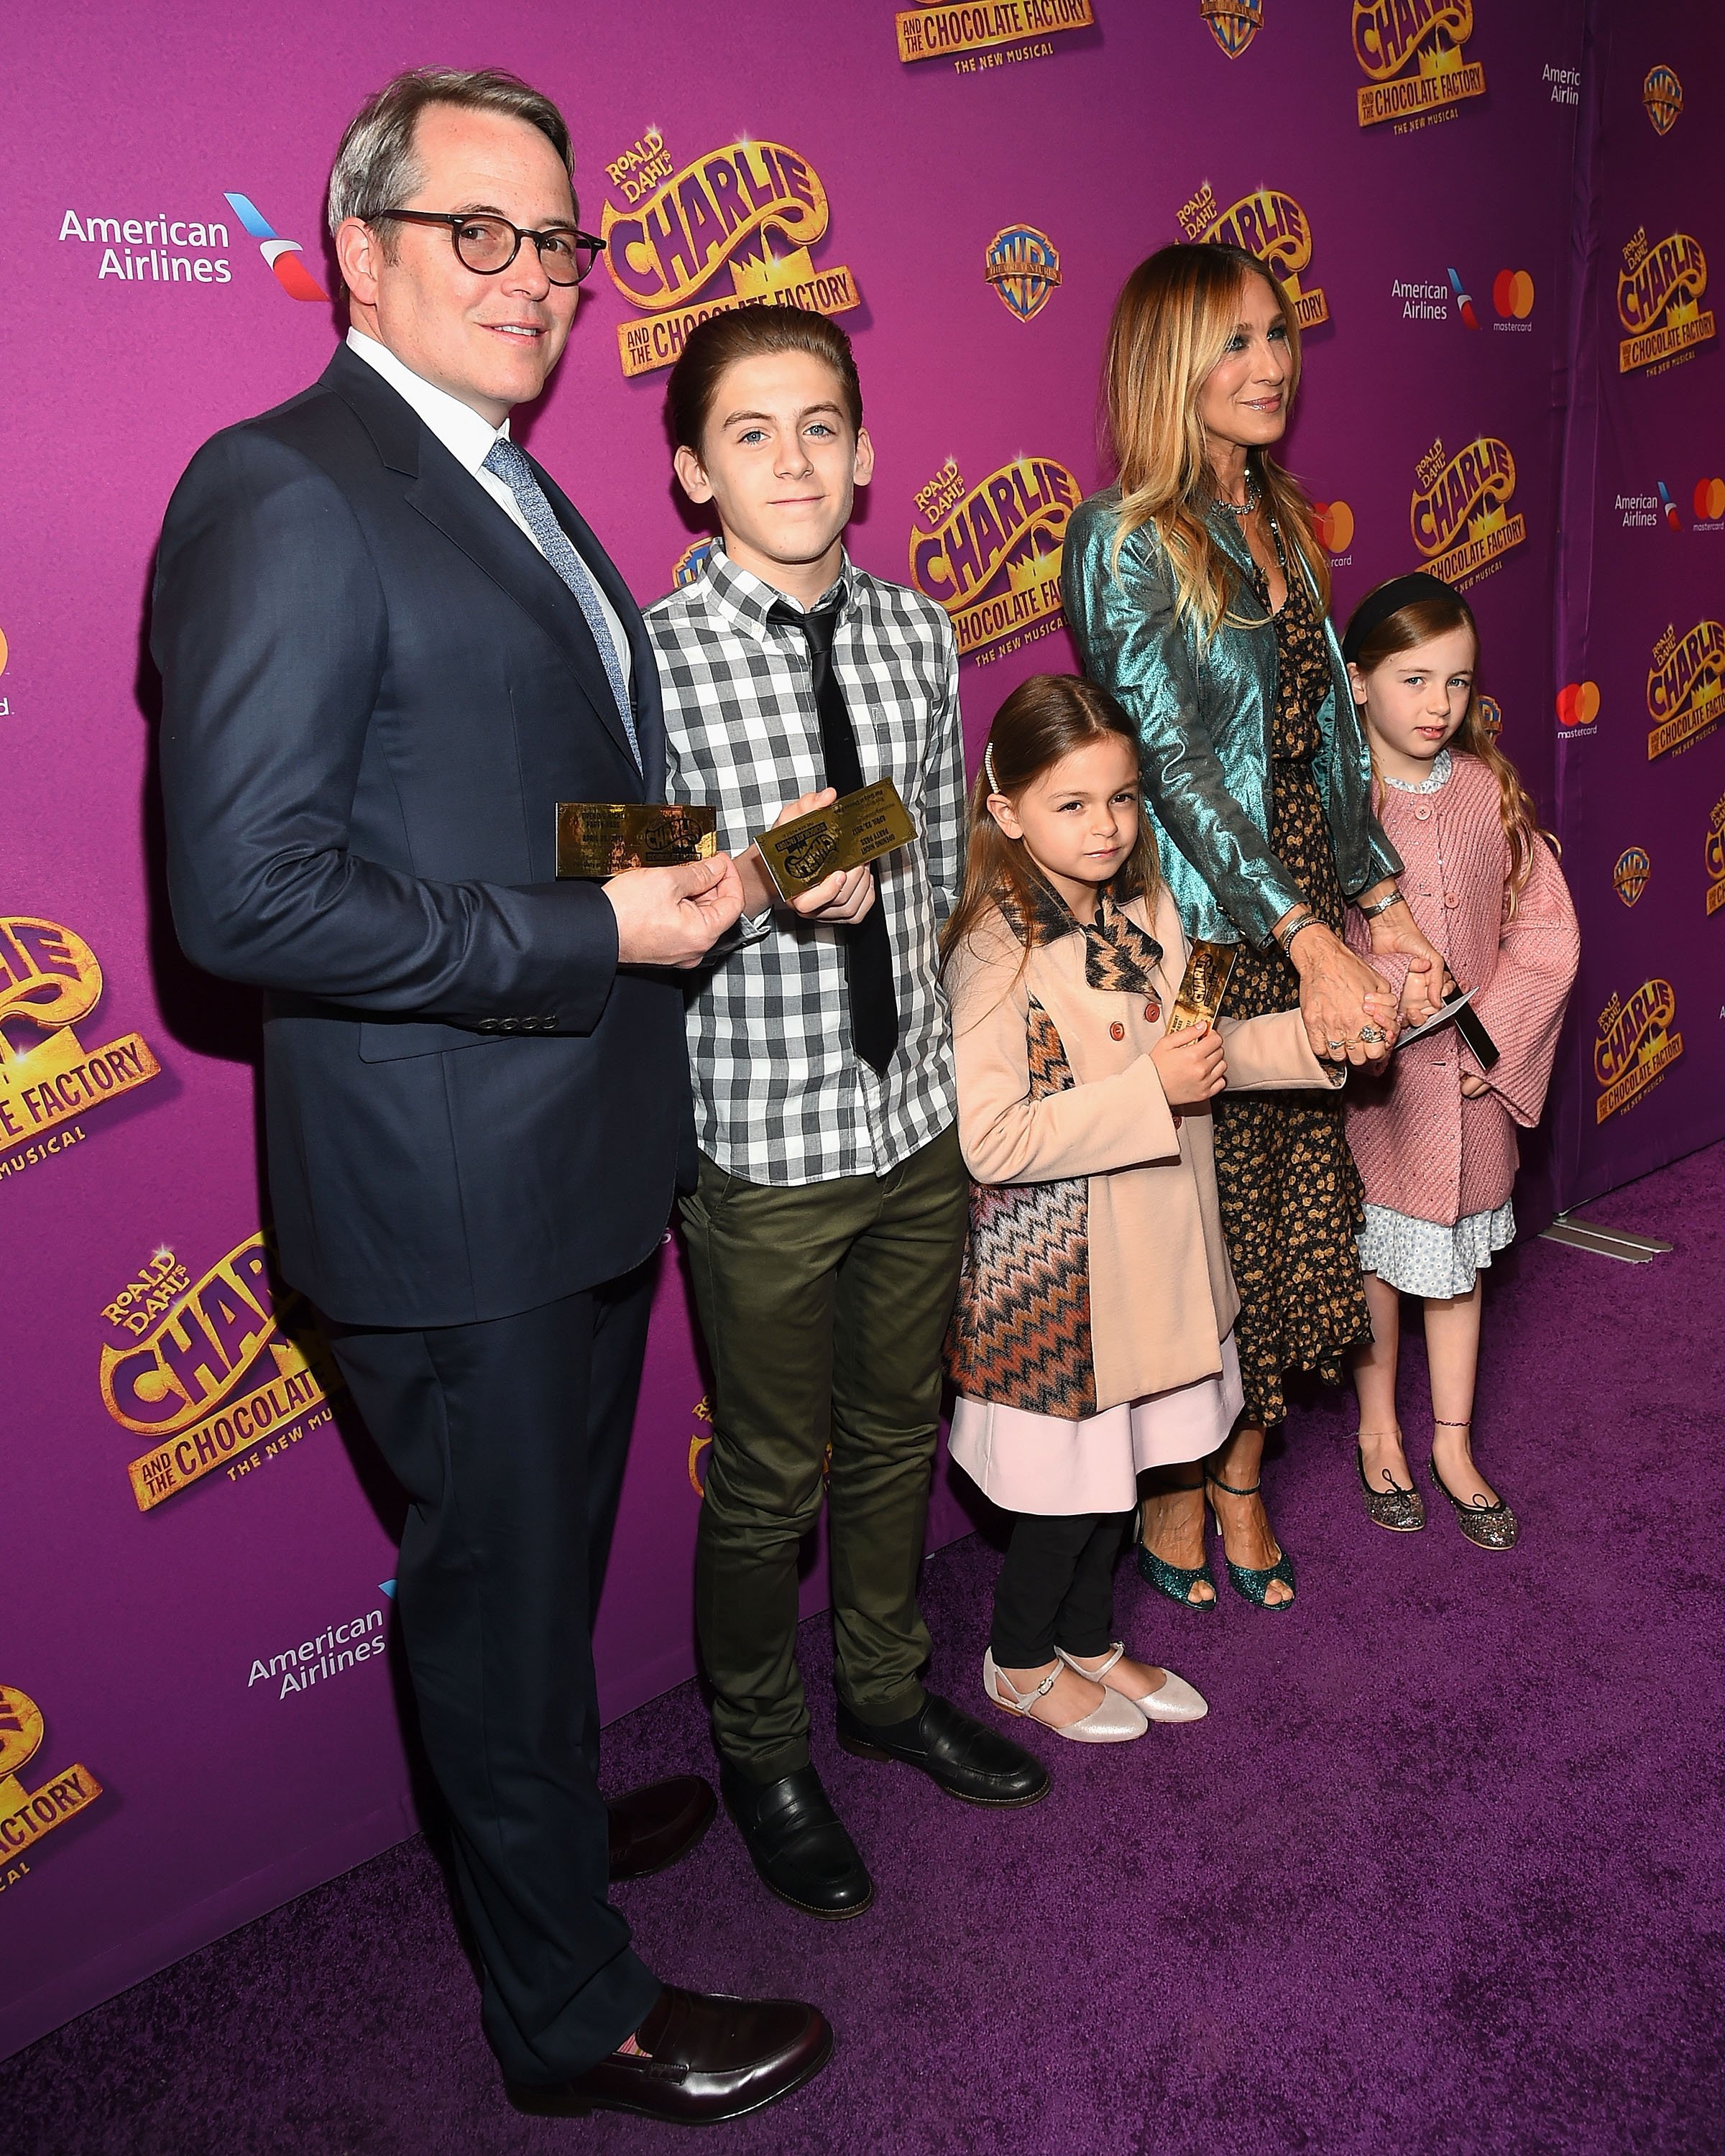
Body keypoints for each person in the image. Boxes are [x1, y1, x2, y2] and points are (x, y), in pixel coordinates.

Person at [152, 68, 830, 2126]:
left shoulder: (510, 476)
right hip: (449, 1194)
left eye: (559, 241)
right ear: (358, 248)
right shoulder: (286, 484)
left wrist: (672, 874)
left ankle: (512, 1833)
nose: (534, 279)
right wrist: (587, 939)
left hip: (572, 1155)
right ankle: (571, 2015)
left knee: (523, 1575)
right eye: (482, 234)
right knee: (489, 1581)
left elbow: (498, 790)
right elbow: (245, 889)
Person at [648, 307, 1046, 1923]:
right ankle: (762, 1750)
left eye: (822, 424)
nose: (793, 458)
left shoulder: (918, 632)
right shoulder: (645, 656)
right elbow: (605, 877)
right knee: (766, 1476)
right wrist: (764, 879)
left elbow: (939, 861)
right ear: (692, 469)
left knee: (896, 1431)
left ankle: (883, 1695)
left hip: (913, 1117)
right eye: (750, 431)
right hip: (763, 1145)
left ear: (869, 453)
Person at [1061, 241, 1445, 1611]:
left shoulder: (1282, 516)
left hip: (1304, 911)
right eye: (1233, 342)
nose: (1272, 363)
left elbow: (1327, 738)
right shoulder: (1125, 534)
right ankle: (1177, 1494)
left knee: (1292, 1224)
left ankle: (1239, 1480)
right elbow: (1169, 760)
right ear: (1169, 364)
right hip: (1199, 932)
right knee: (1200, 1236)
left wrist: (1383, 900)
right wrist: (1305, 934)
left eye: (1279, 334)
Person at [942, 676, 1341, 1733]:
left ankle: (1085, 1642)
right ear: (1005, 804)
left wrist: (1316, 1039)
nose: (1107, 826)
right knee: (1064, 1496)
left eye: (1122, 799)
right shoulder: (997, 944)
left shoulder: (1142, 908)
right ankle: (1017, 1660)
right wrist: (1146, 1093)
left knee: (1115, 1482)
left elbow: (1196, 1062)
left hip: (1156, 1253)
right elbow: (994, 1140)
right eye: (1072, 804)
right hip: (1059, 1283)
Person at [1340, 575, 1579, 1547]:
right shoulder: (1338, 803)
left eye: (1456, 682)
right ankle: (1376, 1433)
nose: (1437, 705)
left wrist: (1503, 1043)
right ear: (1357, 683)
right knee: (1378, 1269)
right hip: (1375, 1093)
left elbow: (1546, 932)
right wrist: (1380, 1007)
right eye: (1412, 679)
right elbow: (1312, 943)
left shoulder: (1487, 793)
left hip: (1476, 1089)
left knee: (1456, 1273)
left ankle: (1451, 1441)